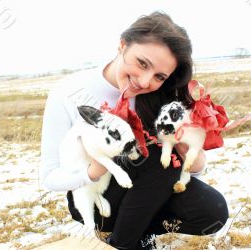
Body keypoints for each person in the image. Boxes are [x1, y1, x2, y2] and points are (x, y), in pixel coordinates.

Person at [40, 11, 229, 250]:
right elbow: (49, 177)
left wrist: (189, 151)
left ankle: (136, 234)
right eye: (142, 63)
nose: (144, 81)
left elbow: (188, 171)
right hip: (96, 199)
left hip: (149, 192)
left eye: (159, 76)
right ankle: (124, 243)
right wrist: (94, 170)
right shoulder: (68, 92)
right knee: (157, 160)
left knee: (211, 210)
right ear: (122, 45)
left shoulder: (160, 99)